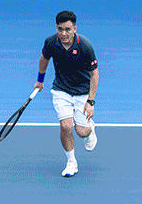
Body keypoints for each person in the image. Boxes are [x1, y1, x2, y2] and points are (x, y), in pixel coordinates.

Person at [33, 10, 99, 178]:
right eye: (60, 29)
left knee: (82, 132)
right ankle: (71, 162)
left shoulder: (85, 46)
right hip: (61, 90)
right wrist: (40, 80)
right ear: (56, 27)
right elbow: (44, 58)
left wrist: (90, 101)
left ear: (75, 29)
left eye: (68, 29)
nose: (63, 33)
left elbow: (94, 74)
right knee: (66, 126)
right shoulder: (51, 42)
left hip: (82, 92)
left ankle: (90, 129)